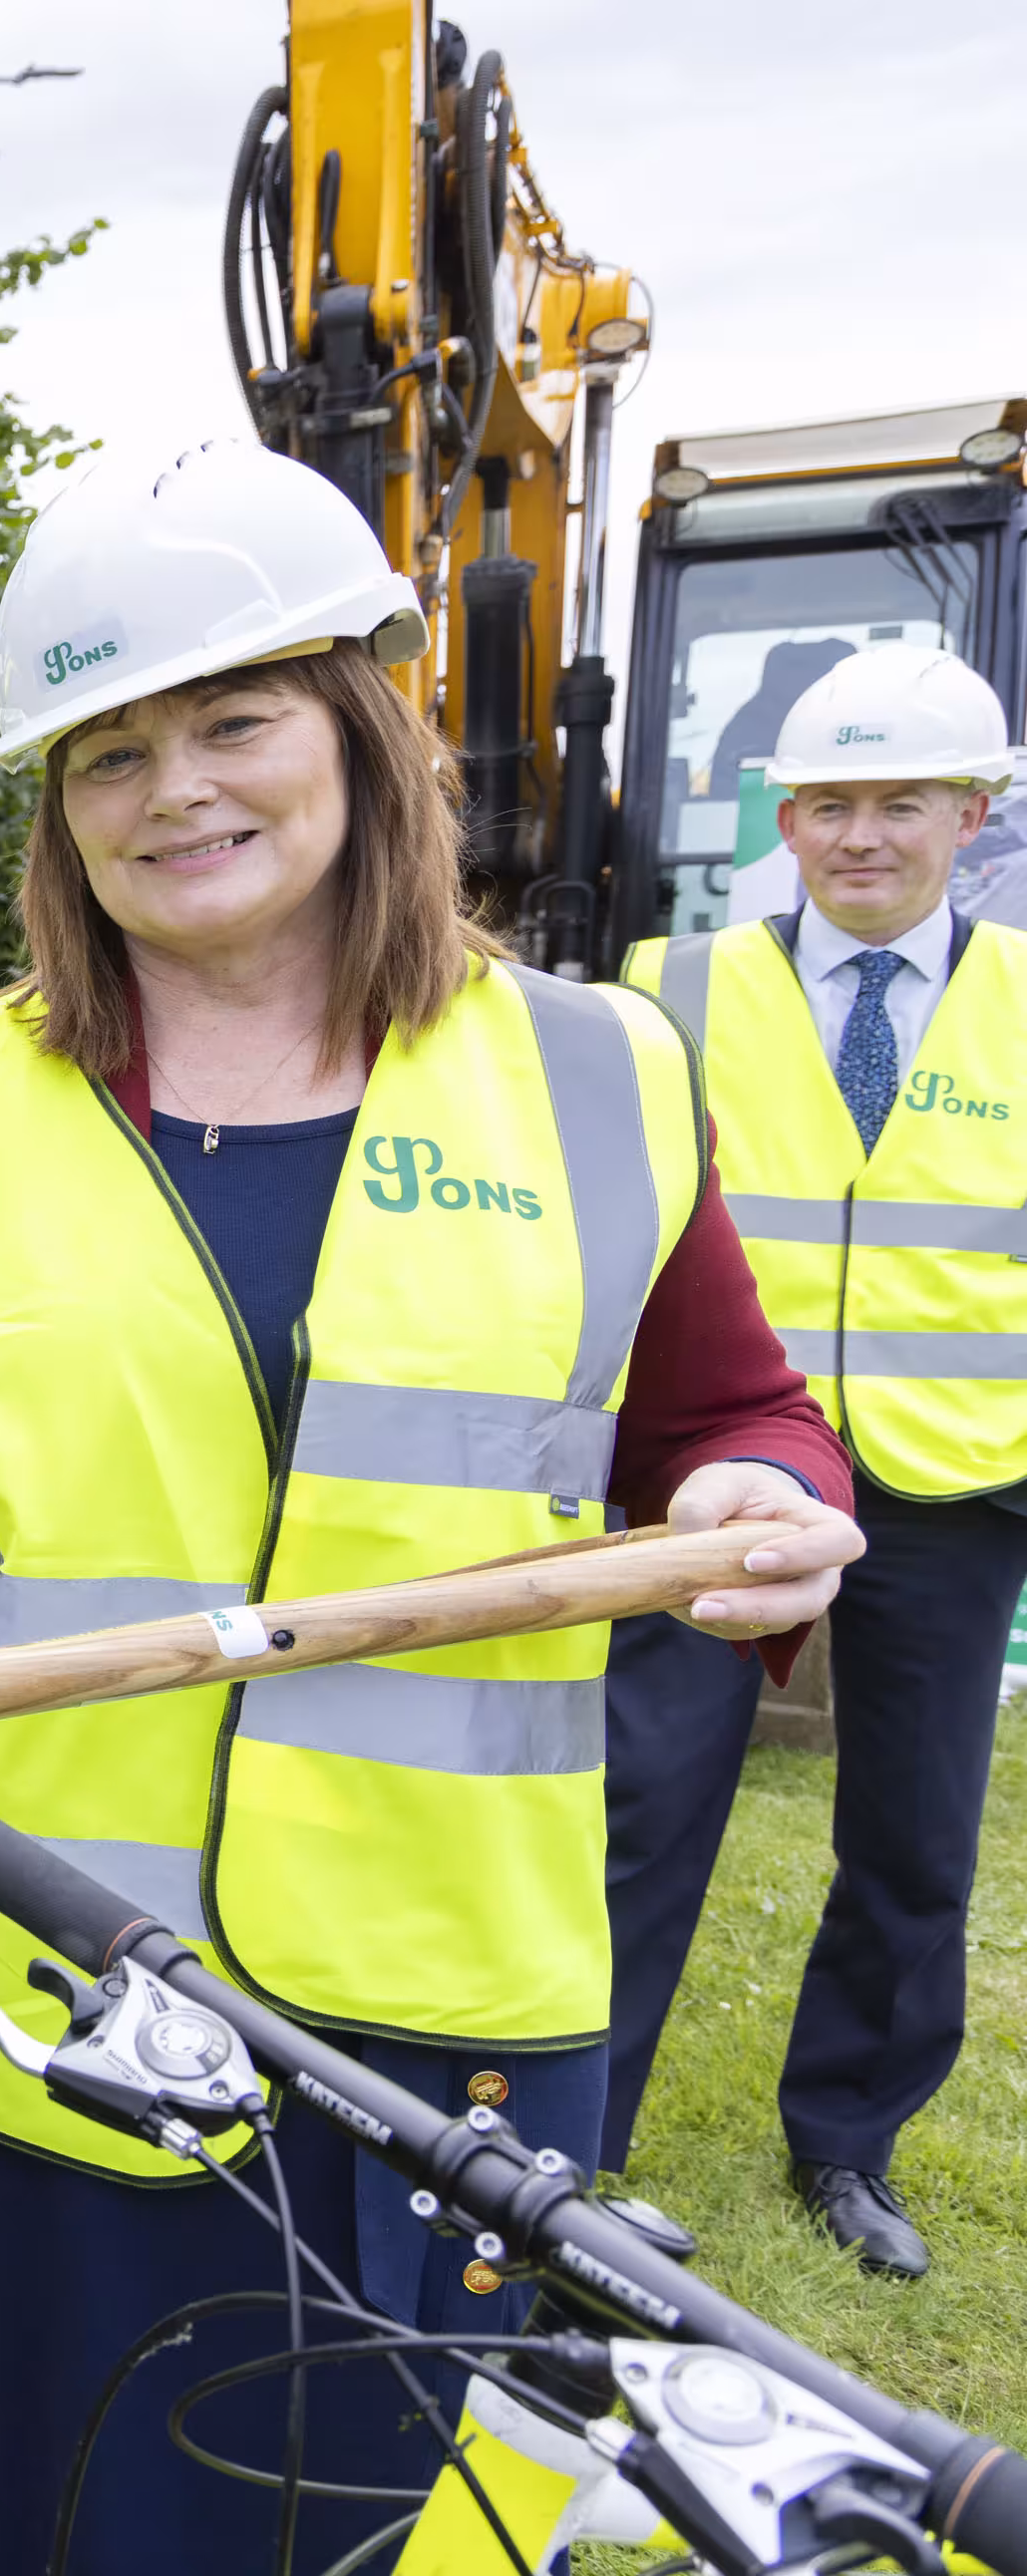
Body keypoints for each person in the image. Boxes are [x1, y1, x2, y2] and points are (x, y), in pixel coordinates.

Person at [0, 438, 859, 2574]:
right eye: (108, 751)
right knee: (44, 2520)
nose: (173, 789)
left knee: (397, 2530)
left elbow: (732, 1411)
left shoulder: (589, 1071)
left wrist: (758, 1491)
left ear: (361, 724)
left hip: (441, 2009)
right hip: (45, 1998)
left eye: (232, 719)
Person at [608, 642, 1019, 2278]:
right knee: (642, 1804)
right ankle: (575, 2132)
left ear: (969, 813)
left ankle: (849, 2140)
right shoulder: (670, 988)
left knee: (915, 1837)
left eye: (899, 801)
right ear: (783, 810)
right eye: (829, 801)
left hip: (953, 1476)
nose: (860, 834)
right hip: (721, 1469)